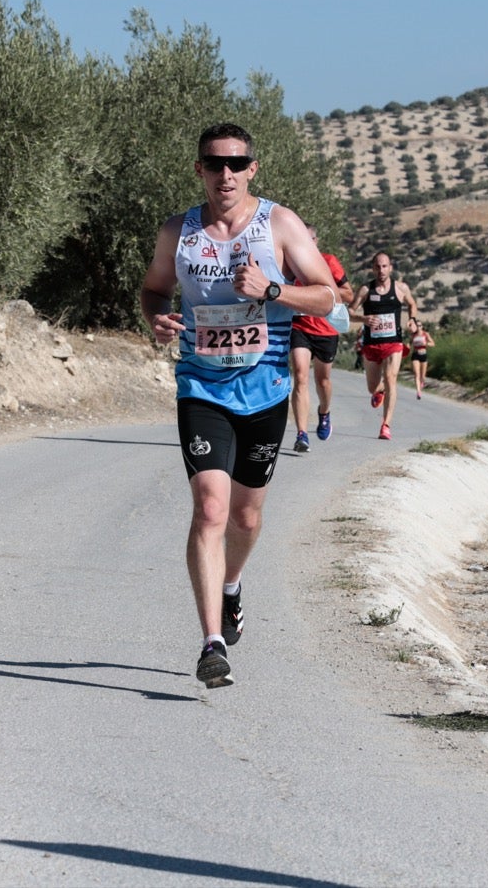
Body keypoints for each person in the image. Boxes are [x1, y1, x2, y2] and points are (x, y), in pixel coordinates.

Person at [140, 122, 340, 689]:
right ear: (199, 169)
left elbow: (327, 295)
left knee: (246, 517)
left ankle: (232, 585)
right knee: (210, 509)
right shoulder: (178, 231)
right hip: (201, 386)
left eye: (235, 164)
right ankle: (212, 643)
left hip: (266, 389)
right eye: (213, 163)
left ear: (252, 169)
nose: (224, 174)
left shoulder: (279, 224)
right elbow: (154, 289)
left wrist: (272, 290)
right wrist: (156, 317)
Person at [288, 225, 353, 453]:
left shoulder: (329, 261)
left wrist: (323, 291)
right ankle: (302, 434)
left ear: (315, 241)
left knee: (322, 381)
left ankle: (324, 412)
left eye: (309, 239)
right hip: (299, 327)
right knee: (300, 376)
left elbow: (348, 294)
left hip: (326, 329)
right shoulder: (291, 264)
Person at [351, 251, 419, 441]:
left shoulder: (401, 288)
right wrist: (363, 319)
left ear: (390, 268)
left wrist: (412, 319)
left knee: (391, 378)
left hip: (393, 342)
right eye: (377, 267)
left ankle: (386, 425)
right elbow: (349, 311)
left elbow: (412, 304)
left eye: (384, 266)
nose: (381, 270)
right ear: (373, 269)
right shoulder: (365, 290)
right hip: (371, 344)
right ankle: (379, 390)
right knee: (372, 387)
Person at [407, 316, 435, 399]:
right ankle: (418, 392)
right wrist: (407, 347)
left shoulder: (425, 334)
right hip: (415, 355)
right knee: (416, 374)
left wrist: (426, 343)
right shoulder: (413, 335)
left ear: (422, 326)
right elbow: (409, 343)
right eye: (417, 325)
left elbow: (433, 343)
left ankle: (422, 382)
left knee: (423, 376)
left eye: (420, 325)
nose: (418, 327)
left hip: (423, 355)